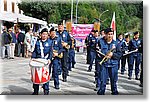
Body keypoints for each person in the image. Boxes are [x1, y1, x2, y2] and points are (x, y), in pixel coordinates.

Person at [97, 28, 122, 95]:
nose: (110, 36)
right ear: (105, 34)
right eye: (108, 34)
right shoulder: (100, 42)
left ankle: (114, 93)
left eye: (111, 34)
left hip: (113, 65)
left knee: (114, 81)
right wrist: (102, 56)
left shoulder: (117, 43)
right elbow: (97, 51)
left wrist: (112, 54)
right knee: (103, 81)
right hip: (104, 65)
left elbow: (119, 54)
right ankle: (101, 93)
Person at [31, 28, 52, 95]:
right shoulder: (37, 42)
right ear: (41, 35)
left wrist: (49, 59)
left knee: (45, 76)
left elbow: (51, 52)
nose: (44, 35)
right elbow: (35, 51)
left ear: (47, 35)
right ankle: (35, 90)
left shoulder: (50, 42)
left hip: (45, 62)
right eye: (43, 34)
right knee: (36, 76)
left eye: (46, 34)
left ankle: (46, 91)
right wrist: (33, 57)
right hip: (38, 61)